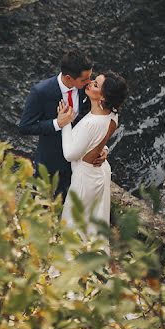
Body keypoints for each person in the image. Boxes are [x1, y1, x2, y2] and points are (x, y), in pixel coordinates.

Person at [18, 50, 100, 201]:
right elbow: (24, 127)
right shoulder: (40, 92)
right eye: (85, 79)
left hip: (76, 158)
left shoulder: (85, 91)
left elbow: (92, 118)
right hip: (50, 158)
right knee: (40, 200)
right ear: (69, 78)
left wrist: (100, 148)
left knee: (66, 199)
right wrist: (57, 123)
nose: (89, 82)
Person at [57, 71, 128, 239]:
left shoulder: (92, 123)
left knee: (72, 225)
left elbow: (69, 154)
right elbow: (102, 136)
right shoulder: (113, 115)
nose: (89, 83)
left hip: (85, 178)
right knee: (92, 224)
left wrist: (65, 123)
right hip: (100, 172)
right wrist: (104, 150)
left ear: (103, 98)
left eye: (95, 85)